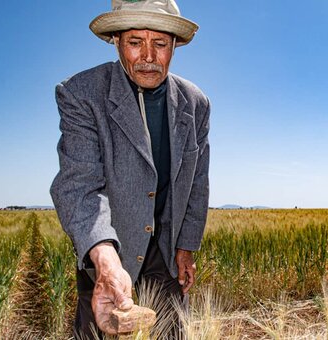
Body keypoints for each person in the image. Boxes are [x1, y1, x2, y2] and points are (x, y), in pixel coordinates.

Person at [50, 0, 209, 337]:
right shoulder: (82, 94)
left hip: (166, 254)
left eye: (160, 43)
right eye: (136, 42)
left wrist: (186, 246)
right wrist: (105, 262)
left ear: (174, 45)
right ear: (117, 41)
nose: (148, 56)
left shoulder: (196, 103)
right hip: (108, 250)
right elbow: (79, 185)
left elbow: (197, 180)